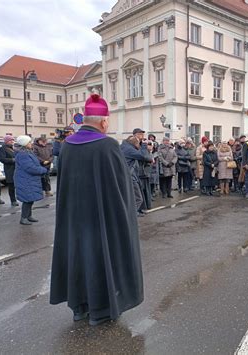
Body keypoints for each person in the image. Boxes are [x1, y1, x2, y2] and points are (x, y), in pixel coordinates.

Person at [50, 93, 143, 326]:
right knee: (101, 259)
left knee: (78, 257)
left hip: (74, 218)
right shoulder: (107, 145)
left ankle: (79, 308)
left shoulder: (67, 146)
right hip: (101, 218)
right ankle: (101, 310)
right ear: (103, 122)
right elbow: (121, 187)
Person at [14, 135, 48, 225]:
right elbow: (30, 168)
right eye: (29, 142)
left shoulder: (27, 152)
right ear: (24, 144)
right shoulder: (23, 154)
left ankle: (28, 216)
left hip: (29, 179)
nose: (31, 143)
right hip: (26, 179)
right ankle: (23, 218)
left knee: (30, 198)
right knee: (27, 199)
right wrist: (43, 170)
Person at [0, 135, 19, 206]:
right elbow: (2, 159)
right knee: (11, 186)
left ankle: (19, 198)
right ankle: (13, 200)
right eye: (11, 140)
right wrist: (13, 160)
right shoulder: (3, 148)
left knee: (17, 185)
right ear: (6, 141)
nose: (12, 142)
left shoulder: (13, 148)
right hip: (9, 169)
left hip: (16, 169)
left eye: (13, 140)